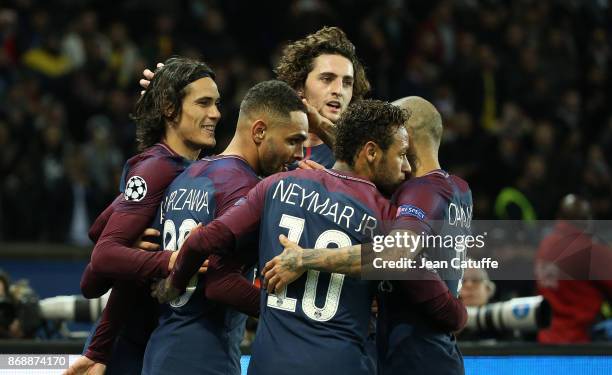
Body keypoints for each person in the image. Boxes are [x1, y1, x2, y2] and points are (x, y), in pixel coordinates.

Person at [153, 99, 411, 375]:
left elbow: (200, 241)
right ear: (371, 152)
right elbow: (418, 256)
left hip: (268, 365)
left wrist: (173, 283)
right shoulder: (386, 212)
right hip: (341, 362)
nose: (407, 167)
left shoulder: (275, 186)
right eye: (403, 154)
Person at [263, 97, 469, 375]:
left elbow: (397, 255)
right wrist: (333, 172)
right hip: (437, 353)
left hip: (413, 359)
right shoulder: (457, 188)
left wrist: (306, 258)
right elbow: (363, 153)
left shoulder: (419, 192)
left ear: (406, 139)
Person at [66, 56, 221, 375]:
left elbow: (100, 227)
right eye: (204, 103)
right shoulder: (156, 167)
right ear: (169, 108)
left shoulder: (188, 169)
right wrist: (169, 260)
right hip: (128, 349)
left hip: (153, 343)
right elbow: (103, 256)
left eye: (217, 103)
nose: (216, 113)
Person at [142, 80, 308, 375]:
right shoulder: (247, 188)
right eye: (293, 140)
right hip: (205, 359)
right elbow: (221, 285)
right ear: (259, 131)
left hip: (160, 351)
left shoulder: (190, 173)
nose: (299, 154)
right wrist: (291, 314)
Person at [140, 27, 370, 165]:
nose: (339, 90)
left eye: (348, 83)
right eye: (327, 79)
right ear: (299, 85)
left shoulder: (365, 153)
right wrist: (169, 104)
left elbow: (399, 242)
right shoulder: (265, 142)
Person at [535, 194, 612, 343]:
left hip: (546, 337)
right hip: (581, 339)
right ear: (588, 221)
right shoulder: (590, 250)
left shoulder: (545, 245)